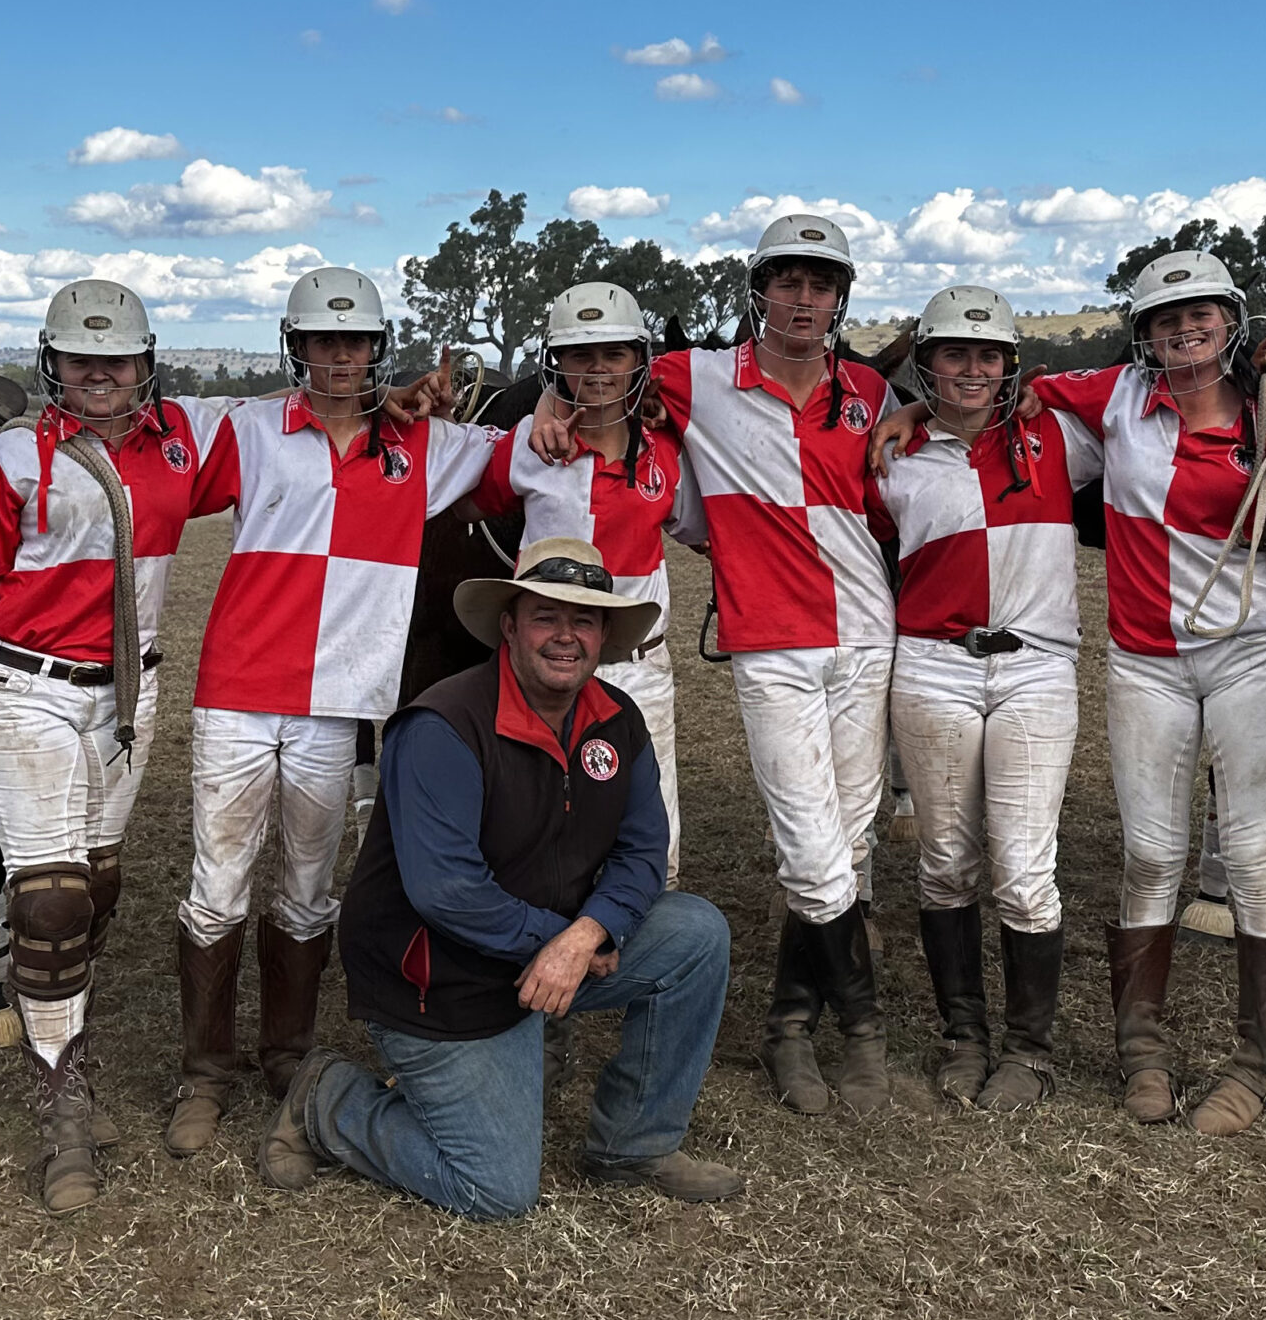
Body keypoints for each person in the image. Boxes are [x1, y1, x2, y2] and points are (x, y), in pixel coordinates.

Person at [257, 537, 743, 1218]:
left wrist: (587, 935)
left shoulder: (619, 720)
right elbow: (446, 889)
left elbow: (641, 851)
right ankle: (329, 1099)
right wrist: (562, 942)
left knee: (695, 932)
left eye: (584, 620)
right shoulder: (444, 723)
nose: (566, 637)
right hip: (441, 976)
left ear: (605, 635)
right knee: (496, 1188)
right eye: (546, 616)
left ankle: (634, 1143)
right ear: (510, 625)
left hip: (554, 951)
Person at [534, 214, 896, 1118]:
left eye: (820, 283)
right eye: (787, 281)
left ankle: (788, 1022)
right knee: (814, 858)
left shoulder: (875, 394)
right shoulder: (693, 376)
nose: (803, 299)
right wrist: (550, 403)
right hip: (770, 643)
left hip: (867, 639)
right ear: (759, 291)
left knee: (849, 849)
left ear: (841, 296)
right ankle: (862, 1034)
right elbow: (594, 372)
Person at [163, 268, 503, 1160]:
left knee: (310, 887)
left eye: (356, 343)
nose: (341, 357)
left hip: (335, 707)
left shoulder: (422, 446)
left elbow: (521, 453)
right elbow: (156, 451)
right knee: (217, 883)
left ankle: (288, 1053)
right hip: (239, 692)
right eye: (324, 342)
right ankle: (205, 1071)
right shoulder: (252, 429)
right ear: (298, 348)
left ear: (376, 350)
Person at [0, 278, 239, 1213]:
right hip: (24, 688)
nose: (101, 375)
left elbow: (281, 441)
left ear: (147, 364)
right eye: (81, 359)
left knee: (97, 885)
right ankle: (61, 1102)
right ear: (52, 364)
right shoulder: (18, 455)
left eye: (118, 359)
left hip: (128, 694)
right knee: (51, 898)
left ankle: (69, 1044)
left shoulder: (180, 446)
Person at [1025, 250, 1266, 1136]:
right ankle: (1142, 1051)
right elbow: (1010, 396)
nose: (1184, 331)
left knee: (1252, 849)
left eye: (1200, 316)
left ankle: (1260, 1059)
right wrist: (923, 405)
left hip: (1254, 653)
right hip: (1146, 656)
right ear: (1145, 336)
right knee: (1152, 854)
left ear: (1229, 322)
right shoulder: (1116, 397)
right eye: (1166, 321)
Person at [864, 287, 1099, 1110]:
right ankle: (963, 1034)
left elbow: (1139, 399)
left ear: (1011, 365)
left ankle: (1029, 1050)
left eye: (988, 355)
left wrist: (1057, 391)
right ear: (925, 364)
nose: (972, 369)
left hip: (1036, 668)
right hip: (933, 666)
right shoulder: (891, 455)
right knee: (945, 861)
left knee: (1027, 873)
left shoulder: (1058, 436)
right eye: (954, 354)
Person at [467, 281, 694, 881]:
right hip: (546, 667)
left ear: (639, 362)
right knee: (540, 832)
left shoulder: (667, 453)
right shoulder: (528, 447)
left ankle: (649, 964)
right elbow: (464, 505)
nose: (598, 369)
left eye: (614, 354)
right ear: (556, 364)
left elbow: (705, 527)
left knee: (652, 836)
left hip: (640, 668)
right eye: (580, 354)